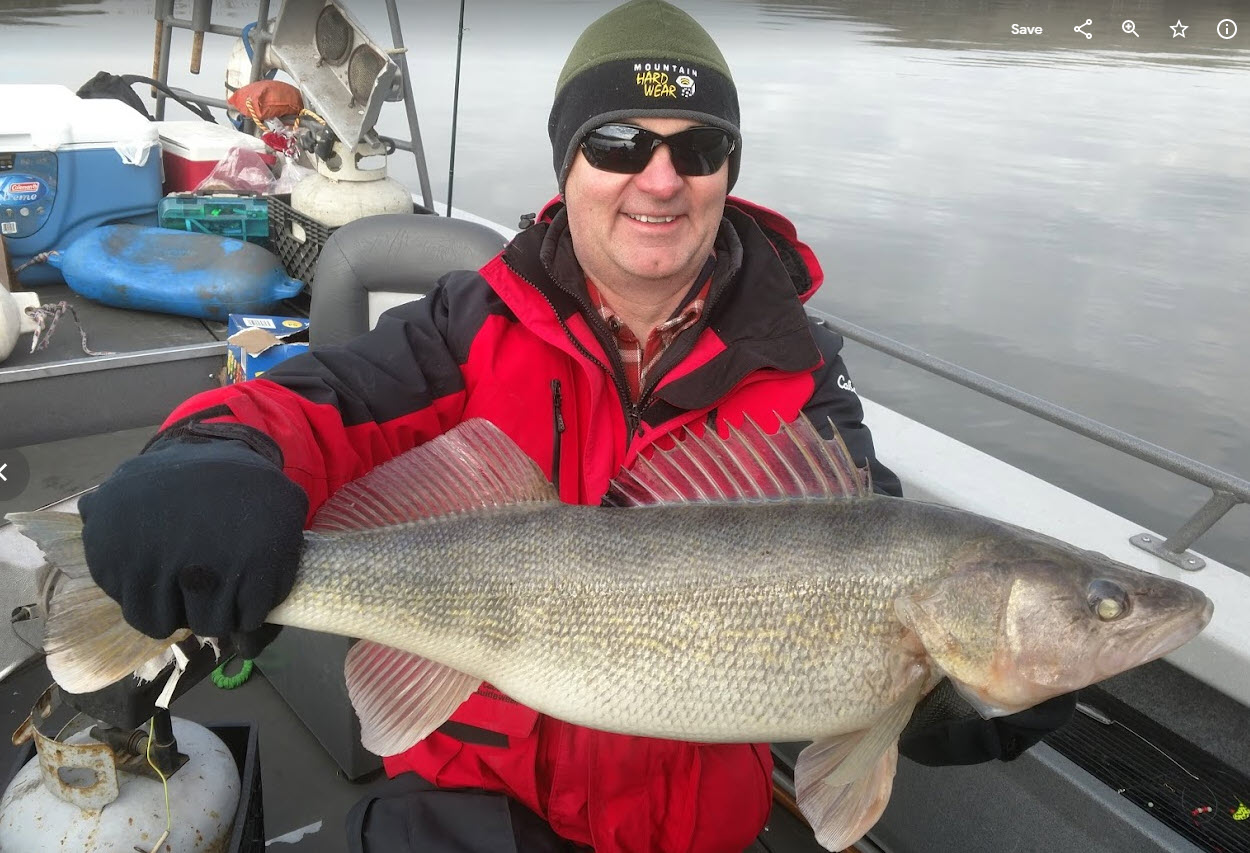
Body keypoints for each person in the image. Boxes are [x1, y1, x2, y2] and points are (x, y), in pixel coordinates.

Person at [78, 1, 1071, 851]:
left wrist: (973, 694)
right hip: (468, 804)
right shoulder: (466, 328)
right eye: (616, 144)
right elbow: (311, 401)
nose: (657, 177)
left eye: (697, 146)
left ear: (727, 170)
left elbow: (878, 613)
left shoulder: (801, 385)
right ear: (568, 165)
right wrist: (210, 454)